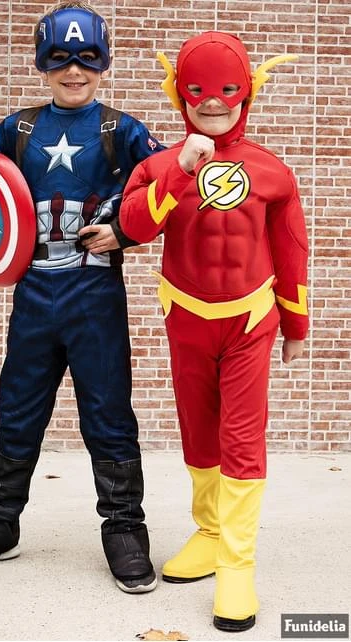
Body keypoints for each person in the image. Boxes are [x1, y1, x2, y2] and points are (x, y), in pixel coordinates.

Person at [0, 1, 165, 594]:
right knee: (17, 405)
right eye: (60, 59)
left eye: (86, 59)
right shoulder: (18, 129)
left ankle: (124, 527)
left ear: (103, 62)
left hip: (95, 291)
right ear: (43, 62)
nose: (74, 71)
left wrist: (126, 230)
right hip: (34, 291)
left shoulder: (121, 130)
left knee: (108, 411)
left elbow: (167, 188)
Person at [120, 31, 309, 629]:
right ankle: (208, 532)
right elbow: (134, 227)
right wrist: (180, 169)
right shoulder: (157, 165)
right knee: (198, 433)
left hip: (250, 320)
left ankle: (237, 565)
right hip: (187, 316)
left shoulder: (273, 171)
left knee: (241, 440)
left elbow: (291, 248)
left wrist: (296, 323)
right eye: (198, 89)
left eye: (227, 89)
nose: (212, 101)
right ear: (179, 92)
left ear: (247, 92)